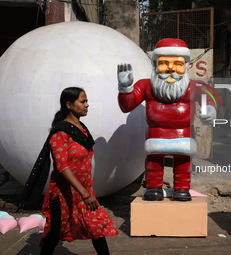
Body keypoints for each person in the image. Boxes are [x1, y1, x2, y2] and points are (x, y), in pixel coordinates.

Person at [117, 38, 220, 202]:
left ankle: (182, 189)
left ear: (186, 66)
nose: (171, 68)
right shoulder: (146, 86)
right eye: (164, 63)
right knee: (154, 163)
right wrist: (125, 88)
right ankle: (153, 188)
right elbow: (127, 105)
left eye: (177, 64)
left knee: (183, 164)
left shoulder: (193, 86)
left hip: (184, 135)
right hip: (155, 135)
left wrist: (211, 109)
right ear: (154, 65)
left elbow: (211, 96)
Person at [20, 87, 118, 255]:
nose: (87, 105)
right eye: (83, 101)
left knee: (96, 228)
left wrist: (86, 192)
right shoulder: (60, 133)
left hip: (84, 192)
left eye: (86, 101)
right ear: (69, 105)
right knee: (54, 234)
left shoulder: (82, 129)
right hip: (64, 193)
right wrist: (84, 194)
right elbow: (62, 167)